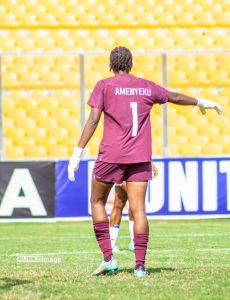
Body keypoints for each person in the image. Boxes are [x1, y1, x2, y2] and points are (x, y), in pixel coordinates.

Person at [68, 46, 222, 277]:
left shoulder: (104, 85)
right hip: (140, 157)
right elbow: (175, 97)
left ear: (111, 64)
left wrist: (77, 152)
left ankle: (109, 259)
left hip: (111, 156)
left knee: (97, 201)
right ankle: (140, 267)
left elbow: (93, 120)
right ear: (131, 64)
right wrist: (200, 101)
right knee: (139, 210)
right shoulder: (146, 86)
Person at [110, 162, 158, 252]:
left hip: (120, 169)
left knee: (119, 204)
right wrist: (150, 162)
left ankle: (112, 244)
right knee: (136, 205)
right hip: (129, 171)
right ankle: (134, 243)